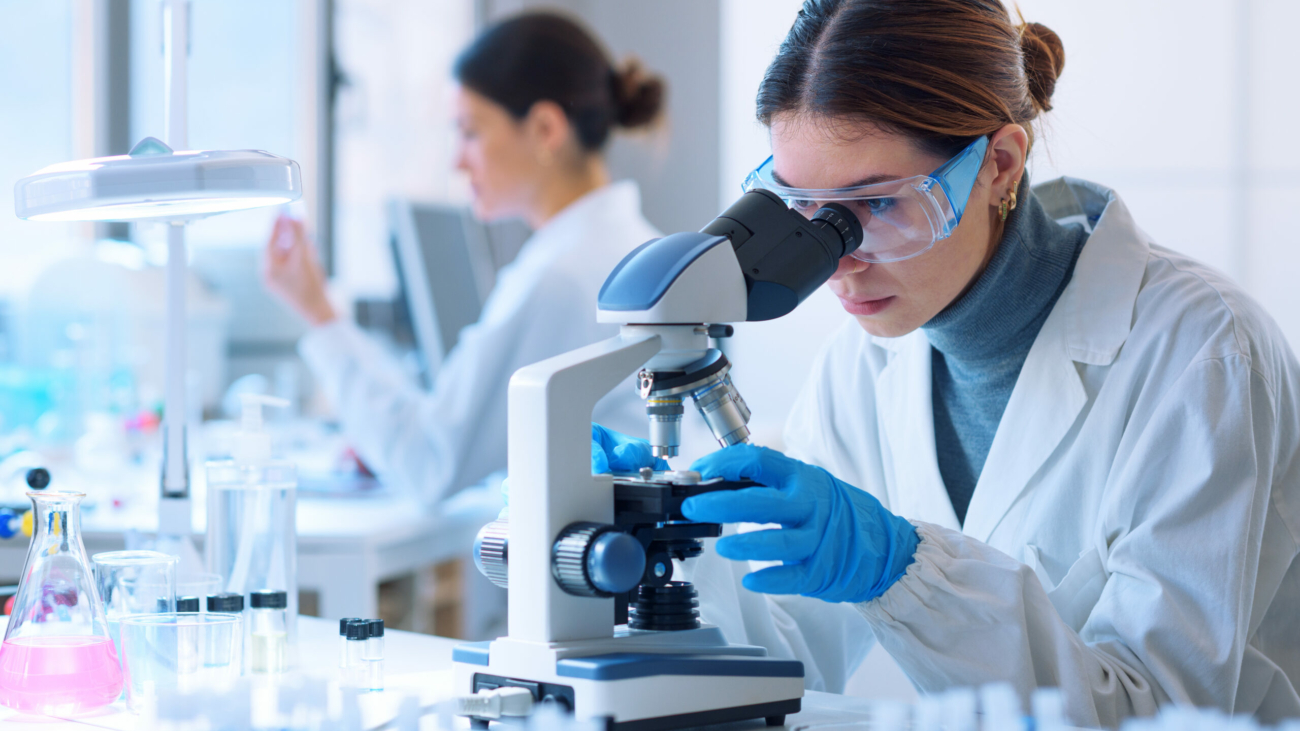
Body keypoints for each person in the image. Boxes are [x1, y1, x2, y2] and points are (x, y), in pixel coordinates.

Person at [592, 0, 1300, 726]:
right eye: (802, 207)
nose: (836, 262)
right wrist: (669, 547)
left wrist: (906, 571)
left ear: (998, 164)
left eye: (876, 204)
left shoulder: (1203, 353)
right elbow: (785, 658)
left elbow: (1162, 712)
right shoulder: (860, 368)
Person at [264, 13, 667, 505]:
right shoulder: (627, 246)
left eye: (470, 131)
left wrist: (319, 315)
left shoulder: (561, 276)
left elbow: (429, 463)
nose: (458, 160)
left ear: (544, 129)